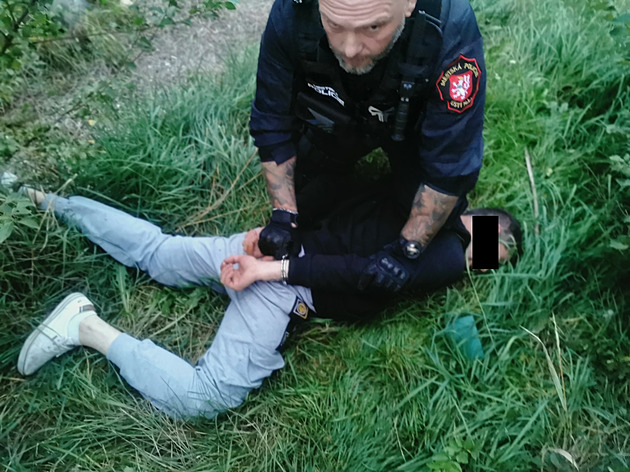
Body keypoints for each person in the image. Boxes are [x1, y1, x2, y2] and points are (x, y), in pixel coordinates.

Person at [17, 187, 521, 419]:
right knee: (204, 397)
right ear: (488, 226)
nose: (488, 265)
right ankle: (86, 327)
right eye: (498, 253)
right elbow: (356, 274)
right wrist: (270, 271)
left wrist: (274, 237)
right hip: (284, 282)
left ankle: (38, 199)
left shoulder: (421, 189)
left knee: (158, 251)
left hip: (272, 245)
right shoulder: (450, 254)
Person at [251, 0, 487, 291]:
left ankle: (484, 234)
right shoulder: (293, 11)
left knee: (439, 234)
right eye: (334, 24)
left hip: (411, 126)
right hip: (334, 116)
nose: (350, 49)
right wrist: (283, 216)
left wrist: (407, 250)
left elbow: (450, 166)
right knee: (306, 201)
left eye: (373, 27)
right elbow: (271, 121)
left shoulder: (451, 26)